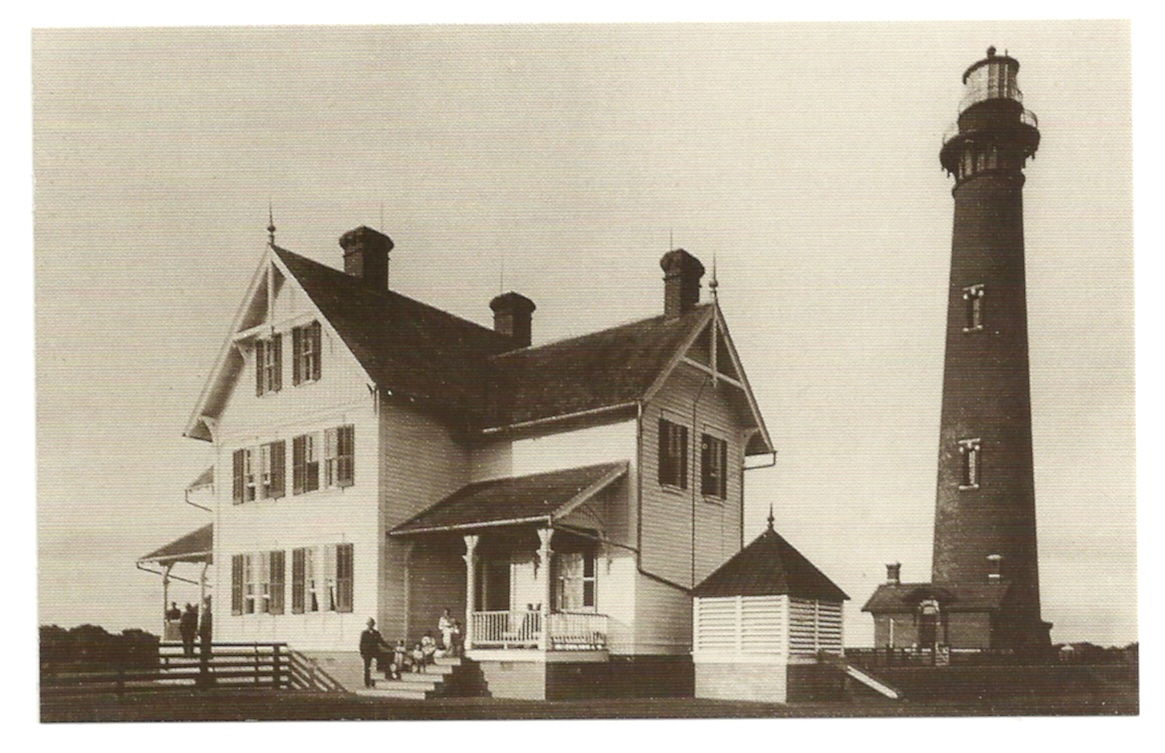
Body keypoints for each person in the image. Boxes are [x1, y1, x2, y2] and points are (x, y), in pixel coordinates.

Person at [359, 618, 389, 688]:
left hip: (375, 651)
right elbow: (361, 643)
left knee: (384, 661)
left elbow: (381, 641)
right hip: (367, 653)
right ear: (367, 624)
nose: (371, 625)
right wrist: (362, 653)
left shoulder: (376, 633)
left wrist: (389, 648)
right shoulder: (364, 633)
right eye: (369, 624)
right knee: (367, 668)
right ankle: (367, 683)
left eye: (372, 624)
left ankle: (387, 676)